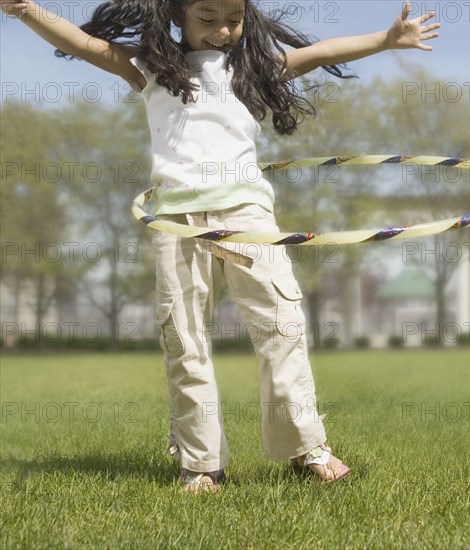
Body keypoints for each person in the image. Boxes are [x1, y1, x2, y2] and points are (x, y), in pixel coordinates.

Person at [2, 0, 440, 493]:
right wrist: (23, 8)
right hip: (176, 218)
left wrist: (385, 39)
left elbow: (320, 52)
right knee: (184, 337)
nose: (223, 29)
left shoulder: (251, 68)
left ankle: (304, 446)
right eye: (207, 18)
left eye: (233, 18)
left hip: (248, 215)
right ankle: (201, 460)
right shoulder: (151, 69)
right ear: (177, 15)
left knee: (282, 324)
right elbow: (82, 44)